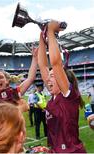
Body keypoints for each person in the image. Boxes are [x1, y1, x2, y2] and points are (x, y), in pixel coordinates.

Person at [37, 21, 86, 153]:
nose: (48, 78)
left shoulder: (68, 96)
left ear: (63, 79)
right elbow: (42, 66)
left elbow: (56, 63)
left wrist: (51, 32)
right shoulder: (53, 98)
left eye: (53, 76)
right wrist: (42, 36)